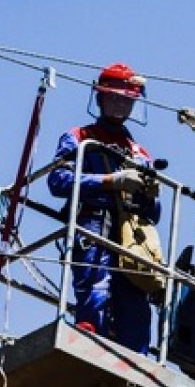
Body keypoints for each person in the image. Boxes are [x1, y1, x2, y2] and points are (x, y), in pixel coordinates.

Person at [48, 63, 160, 354]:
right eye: (115, 97)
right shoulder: (79, 136)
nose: (121, 103)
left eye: (127, 99)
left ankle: (135, 362)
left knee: (136, 301)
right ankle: (88, 343)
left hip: (131, 233)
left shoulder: (140, 152)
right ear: (99, 97)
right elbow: (58, 181)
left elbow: (156, 214)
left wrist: (150, 196)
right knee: (95, 286)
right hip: (94, 220)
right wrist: (110, 181)